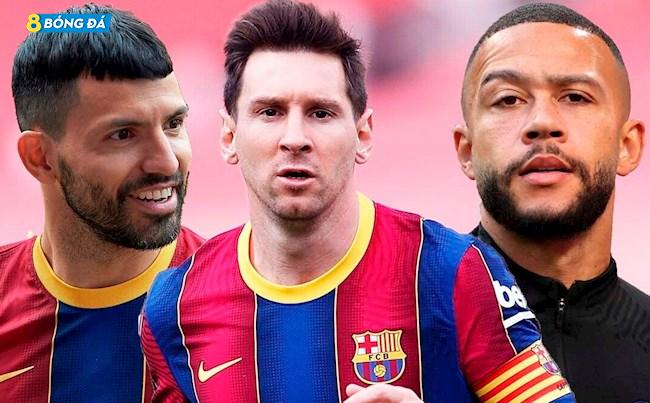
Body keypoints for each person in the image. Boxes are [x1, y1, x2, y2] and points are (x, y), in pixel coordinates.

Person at [141, 1, 574, 402]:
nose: (295, 138)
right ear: (229, 136)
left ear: (363, 134)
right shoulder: (174, 308)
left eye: (321, 113)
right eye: (270, 112)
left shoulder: (451, 271)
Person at [0, 4, 204, 402]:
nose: (166, 162)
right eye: (123, 134)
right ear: (41, 158)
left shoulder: (244, 303)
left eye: (173, 124)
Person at [454, 3, 649, 402]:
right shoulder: (402, 332)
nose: (542, 122)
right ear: (467, 151)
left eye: (575, 97)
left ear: (627, 146)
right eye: (508, 99)